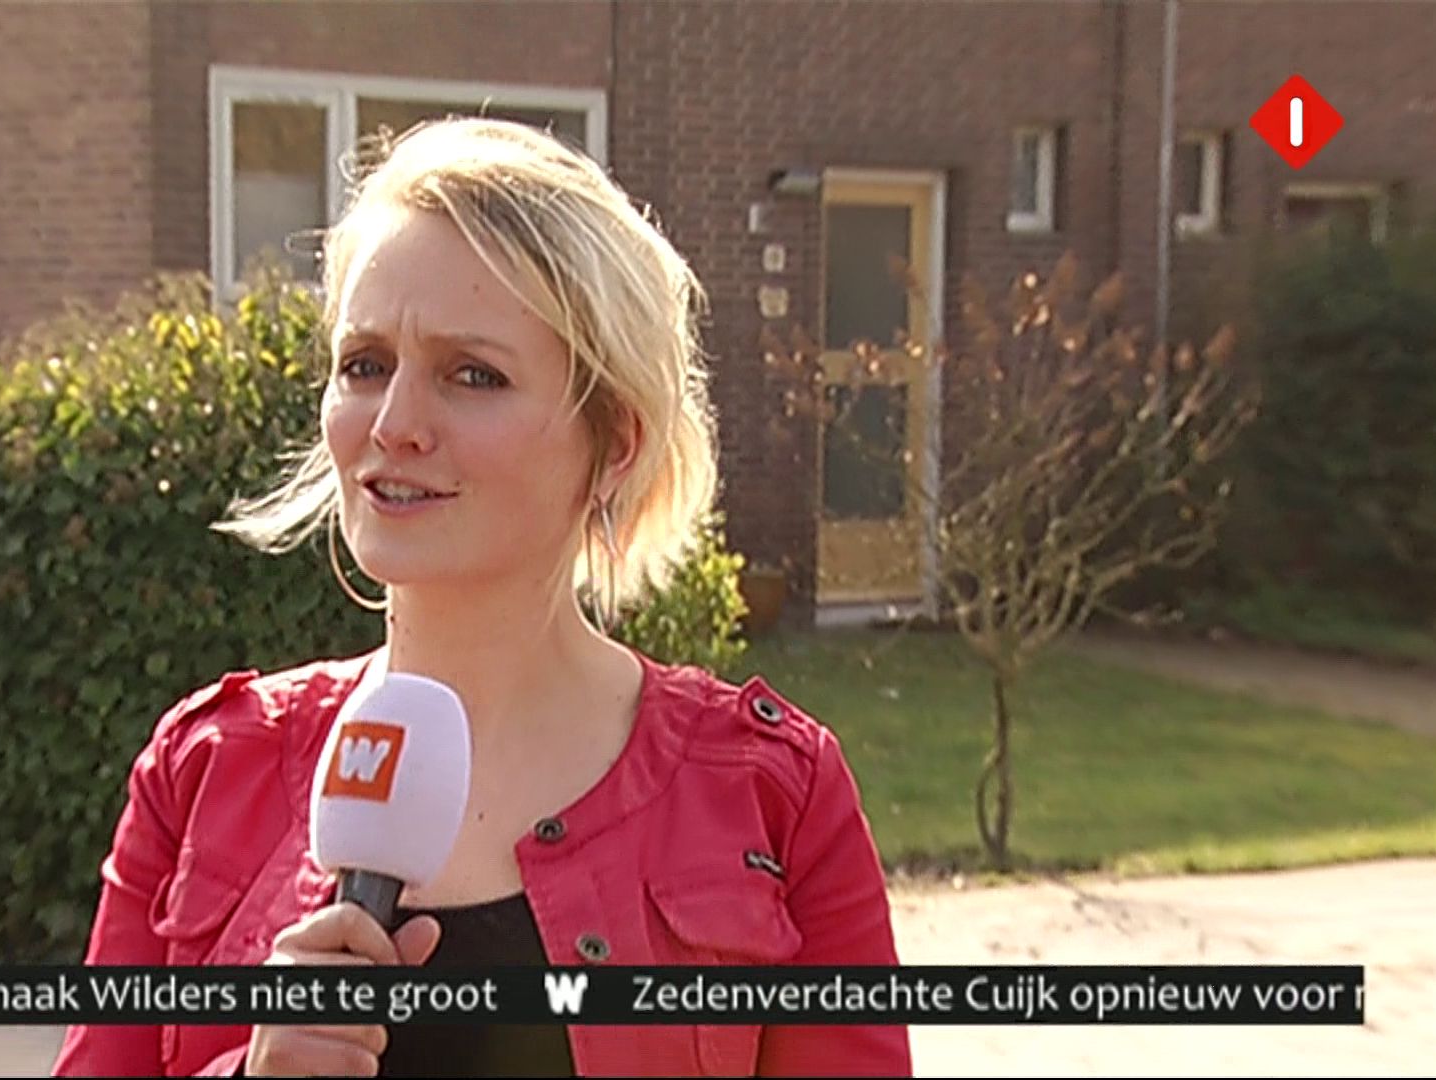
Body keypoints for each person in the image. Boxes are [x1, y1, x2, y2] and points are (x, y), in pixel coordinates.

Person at [51, 117, 910, 1078]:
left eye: (473, 375)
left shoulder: (771, 795)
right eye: (365, 364)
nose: (395, 423)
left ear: (615, 441)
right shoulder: (207, 772)